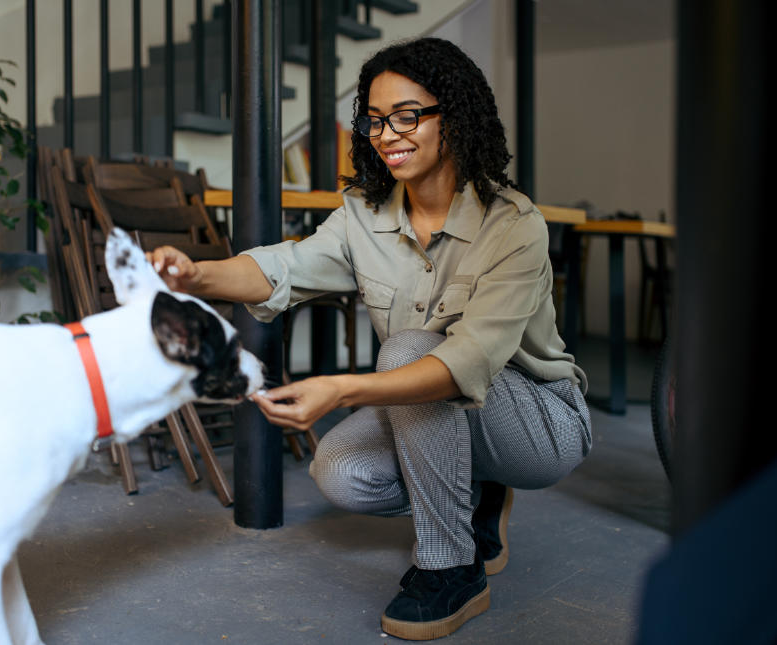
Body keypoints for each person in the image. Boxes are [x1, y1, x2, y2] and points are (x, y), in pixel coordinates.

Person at [149, 37, 591, 641]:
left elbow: (466, 359)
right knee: (340, 471)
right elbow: (284, 268)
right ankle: (476, 497)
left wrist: (341, 389)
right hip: (434, 410)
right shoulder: (363, 214)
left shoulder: (514, 225)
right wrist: (196, 275)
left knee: (411, 349)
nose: (388, 133)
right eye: (376, 119)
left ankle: (450, 568)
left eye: (408, 115)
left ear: (452, 116)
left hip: (538, 423)